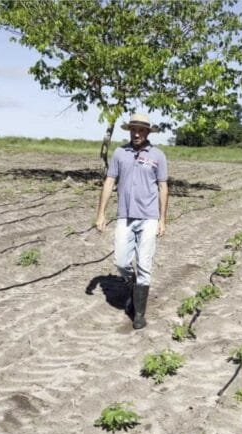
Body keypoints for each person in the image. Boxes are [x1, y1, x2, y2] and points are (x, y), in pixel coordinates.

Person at [95, 113, 169, 330]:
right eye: (133, 129)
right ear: (129, 130)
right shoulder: (120, 153)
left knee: (144, 264)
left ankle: (139, 313)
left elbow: (163, 187)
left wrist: (163, 219)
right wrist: (101, 213)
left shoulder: (158, 155)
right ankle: (132, 283)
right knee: (121, 262)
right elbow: (109, 182)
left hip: (149, 218)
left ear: (147, 132)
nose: (137, 133)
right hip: (124, 216)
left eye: (141, 130)